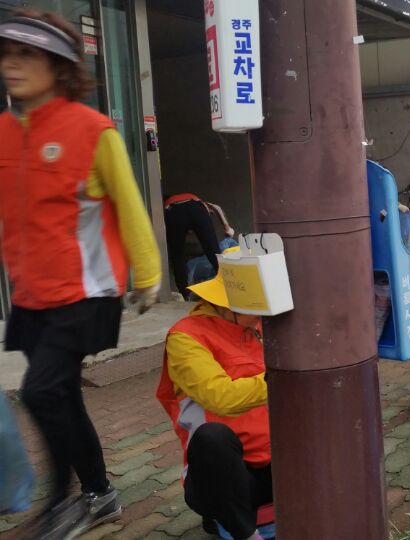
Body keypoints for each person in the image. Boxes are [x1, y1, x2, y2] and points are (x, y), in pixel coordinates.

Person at [0, 11, 161, 538]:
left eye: (27, 55)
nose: (12, 64)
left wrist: (148, 272)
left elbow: (130, 203)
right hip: (31, 292)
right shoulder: (4, 132)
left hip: (85, 290)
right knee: (61, 394)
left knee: (41, 391)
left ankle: (66, 500)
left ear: (59, 66)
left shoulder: (93, 130)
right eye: (7, 54)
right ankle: (100, 494)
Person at [156, 247, 271, 540]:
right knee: (212, 439)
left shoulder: (264, 328)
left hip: (277, 464)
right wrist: (280, 380)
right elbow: (220, 396)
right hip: (223, 477)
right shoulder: (185, 337)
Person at [164, 193, 235, 299]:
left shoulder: (167, 205)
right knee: (214, 251)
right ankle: (226, 287)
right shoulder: (198, 201)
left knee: (177, 255)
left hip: (175, 212)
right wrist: (227, 227)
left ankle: (184, 293)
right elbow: (217, 207)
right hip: (196, 209)